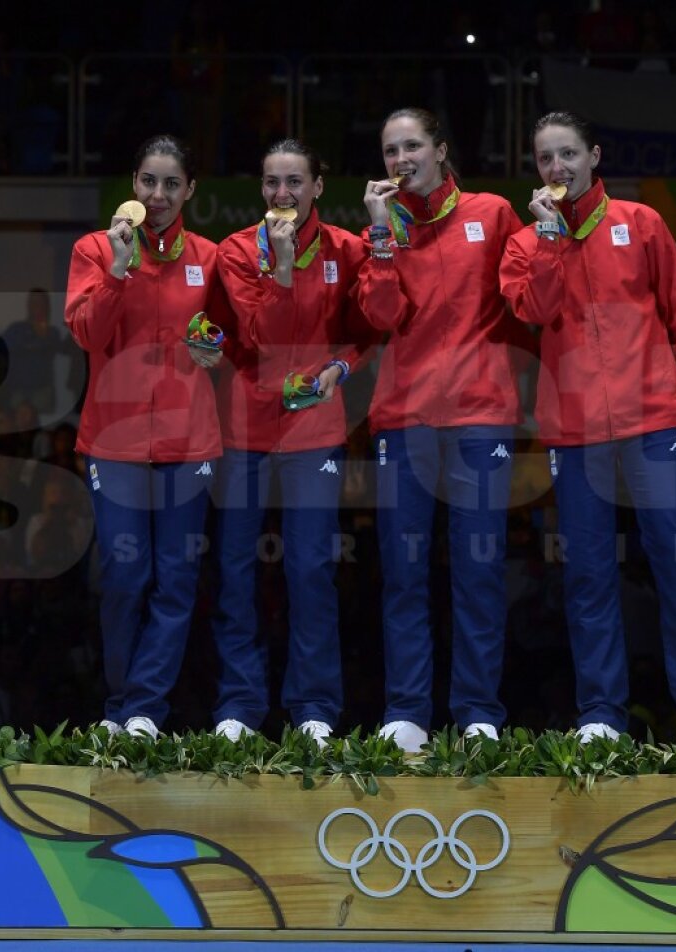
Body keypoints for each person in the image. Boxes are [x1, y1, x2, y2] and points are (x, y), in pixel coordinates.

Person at [499, 110, 676, 745]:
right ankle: (603, 719)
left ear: (594, 156)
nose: (557, 169)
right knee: (586, 575)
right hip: (575, 432)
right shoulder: (527, 243)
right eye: (545, 159)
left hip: (654, 422)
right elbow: (534, 310)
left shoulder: (642, 224)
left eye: (568, 155)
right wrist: (551, 238)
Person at [358, 107, 525, 753]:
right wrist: (378, 236)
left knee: (479, 572)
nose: (401, 159)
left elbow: (524, 303)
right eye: (390, 150)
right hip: (402, 419)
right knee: (403, 574)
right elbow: (380, 314)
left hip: (481, 417)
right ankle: (406, 711)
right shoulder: (387, 229)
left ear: (441, 149)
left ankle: (479, 710)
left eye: (412, 146)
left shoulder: (493, 213)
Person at [210, 139, 373, 747]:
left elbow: (371, 326)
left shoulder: (346, 250)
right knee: (234, 572)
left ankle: (314, 709)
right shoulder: (234, 252)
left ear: (318, 186)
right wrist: (280, 268)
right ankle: (238, 704)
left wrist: (344, 365)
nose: (283, 195)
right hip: (246, 429)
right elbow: (260, 335)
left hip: (314, 430)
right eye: (272, 183)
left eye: (295, 182)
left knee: (310, 572)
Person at [64, 134, 225, 740]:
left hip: (191, 442)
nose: (157, 196)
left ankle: (142, 716)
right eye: (148, 182)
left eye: (171, 185)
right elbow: (87, 333)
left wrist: (216, 346)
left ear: (190, 192)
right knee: (127, 576)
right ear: (132, 184)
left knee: (177, 581)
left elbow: (227, 335)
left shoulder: (208, 257)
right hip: (114, 442)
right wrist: (119, 268)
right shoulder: (93, 250)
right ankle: (120, 703)